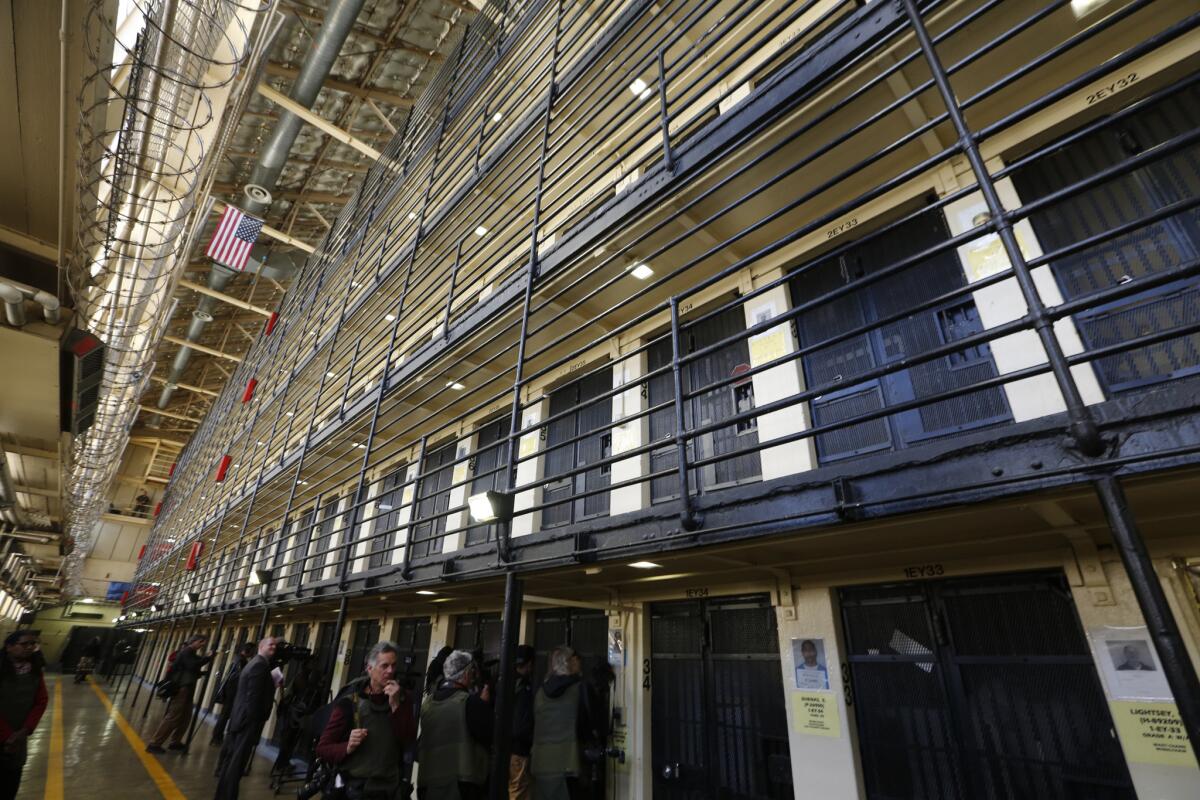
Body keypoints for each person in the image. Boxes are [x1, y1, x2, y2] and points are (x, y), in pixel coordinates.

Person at [316, 641, 417, 799]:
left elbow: (408, 741)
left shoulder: (403, 699)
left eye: (394, 665)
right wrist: (347, 747)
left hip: (388, 789)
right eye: (384, 666)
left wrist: (396, 705)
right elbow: (323, 748)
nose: (390, 671)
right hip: (355, 788)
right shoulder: (350, 703)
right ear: (369, 669)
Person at [417, 649, 492, 800]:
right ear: (466, 674)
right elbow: (490, 737)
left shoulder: (428, 703)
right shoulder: (471, 704)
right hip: (462, 788)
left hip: (429, 786)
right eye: (473, 673)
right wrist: (483, 706)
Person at [531, 646, 603, 800]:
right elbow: (592, 723)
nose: (579, 662)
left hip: (541, 764)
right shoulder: (581, 688)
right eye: (576, 659)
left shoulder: (540, 692)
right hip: (571, 764)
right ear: (569, 662)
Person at [214, 636, 281, 800]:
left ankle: (222, 796)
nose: (273, 647)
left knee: (232, 764)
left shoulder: (257, 664)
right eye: (270, 644)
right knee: (236, 765)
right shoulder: (259, 665)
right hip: (246, 722)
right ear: (261, 646)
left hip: (241, 719)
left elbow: (253, 691)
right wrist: (253, 723)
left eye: (275, 645)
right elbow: (253, 698)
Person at [0, 630, 47, 800]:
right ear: (9, 647)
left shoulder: (34, 672)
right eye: (24, 644)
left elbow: (41, 701)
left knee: (9, 785)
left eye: (32, 644)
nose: (29, 647)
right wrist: (8, 736)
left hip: (17, 740)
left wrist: (24, 730)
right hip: (9, 736)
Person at [147, 634, 212, 753]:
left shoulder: (191, 653)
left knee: (185, 717)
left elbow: (191, 667)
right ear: (194, 642)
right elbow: (192, 665)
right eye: (201, 642)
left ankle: (175, 742)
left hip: (187, 687)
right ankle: (154, 743)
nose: (203, 644)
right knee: (174, 716)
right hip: (182, 688)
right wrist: (208, 657)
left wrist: (201, 672)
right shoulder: (186, 652)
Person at [272, 660, 326, 776]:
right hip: (295, 714)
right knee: (288, 740)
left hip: (295, 713)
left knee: (289, 740)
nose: (314, 667)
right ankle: (282, 764)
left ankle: (282, 763)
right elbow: (290, 695)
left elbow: (289, 695)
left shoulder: (306, 679)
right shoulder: (305, 679)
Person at [212, 642, 256, 745]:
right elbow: (235, 676)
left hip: (231, 690)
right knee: (225, 715)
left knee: (225, 715)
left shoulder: (238, 659)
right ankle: (217, 737)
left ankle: (217, 736)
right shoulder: (240, 661)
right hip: (232, 691)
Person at [509, 645, 536, 800]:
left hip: (503, 748)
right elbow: (522, 724)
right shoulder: (524, 687)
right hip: (519, 750)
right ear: (530, 664)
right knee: (518, 791)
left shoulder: (503, 679)